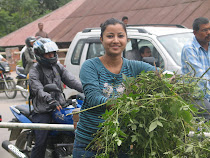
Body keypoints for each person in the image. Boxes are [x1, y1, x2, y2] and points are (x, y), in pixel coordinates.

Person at [73, 18, 156, 158]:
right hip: (89, 144)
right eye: (110, 36)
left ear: (127, 39)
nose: (116, 40)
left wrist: (169, 80)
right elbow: (94, 98)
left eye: (120, 36)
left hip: (120, 145)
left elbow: (161, 75)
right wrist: (127, 102)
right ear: (101, 39)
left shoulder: (135, 67)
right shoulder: (90, 66)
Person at [29, 38, 83, 158]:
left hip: (60, 106)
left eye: (52, 53)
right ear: (39, 55)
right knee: (41, 142)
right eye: (48, 54)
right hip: (43, 109)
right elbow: (38, 89)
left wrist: (89, 90)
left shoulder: (57, 67)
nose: (51, 55)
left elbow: (72, 81)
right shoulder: (35, 70)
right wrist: (50, 99)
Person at [181, 17, 210, 102]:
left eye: (209, 29)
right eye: (204, 30)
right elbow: (200, 77)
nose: (209, 32)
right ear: (195, 33)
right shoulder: (190, 48)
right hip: (197, 96)